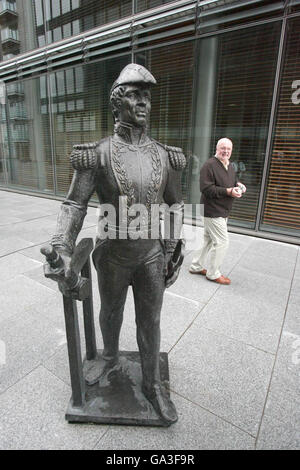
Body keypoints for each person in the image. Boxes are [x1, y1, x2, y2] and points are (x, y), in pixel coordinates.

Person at [42, 64, 186, 425]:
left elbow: (175, 204)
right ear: (117, 103)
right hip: (113, 253)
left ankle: (152, 385)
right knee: (110, 311)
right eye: (135, 96)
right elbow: (75, 203)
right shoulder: (98, 153)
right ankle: (108, 356)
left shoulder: (164, 155)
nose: (144, 104)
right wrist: (61, 244)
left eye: (147, 97)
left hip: (152, 253)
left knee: (150, 320)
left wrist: (172, 248)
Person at [189, 137, 246, 285]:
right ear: (217, 148)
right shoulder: (209, 165)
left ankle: (196, 266)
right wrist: (228, 191)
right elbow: (206, 189)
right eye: (223, 148)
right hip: (213, 211)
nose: (225, 151)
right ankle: (213, 273)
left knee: (207, 239)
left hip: (222, 209)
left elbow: (232, 181)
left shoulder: (229, 165)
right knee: (222, 242)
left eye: (228, 149)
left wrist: (238, 185)